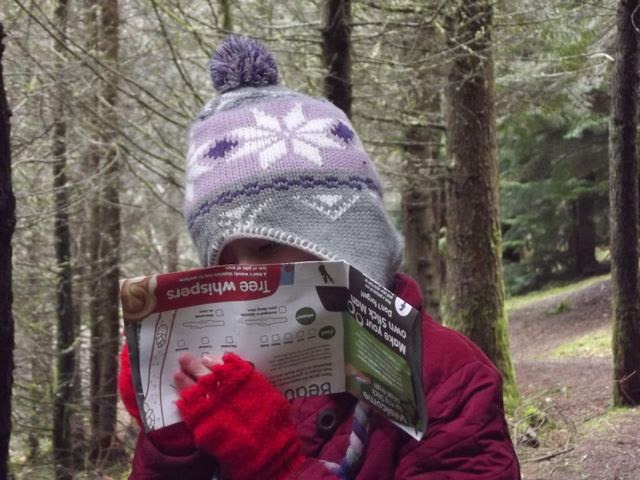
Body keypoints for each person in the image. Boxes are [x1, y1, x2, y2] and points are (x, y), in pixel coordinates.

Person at [118, 35, 521, 479]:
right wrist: (170, 443)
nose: (246, 280)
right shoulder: (230, 374)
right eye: (226, 264)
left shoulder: (449, 377)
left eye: (266, 246)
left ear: (347, 239)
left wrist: (277, 467)